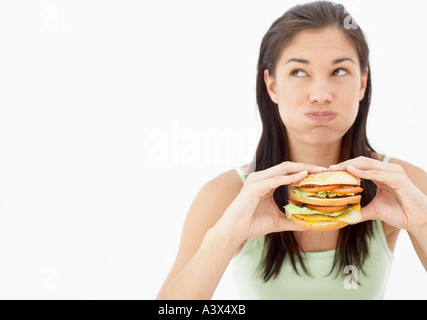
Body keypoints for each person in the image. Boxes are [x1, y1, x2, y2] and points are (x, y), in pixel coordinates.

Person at [156, 1, 427, 299]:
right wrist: (228, 234)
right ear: (271, 85)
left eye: (339, 71)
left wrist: (423, 221)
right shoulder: (225, 194)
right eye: (299, 72)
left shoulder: (403, 185)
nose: (321, 95)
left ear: (362, 83)